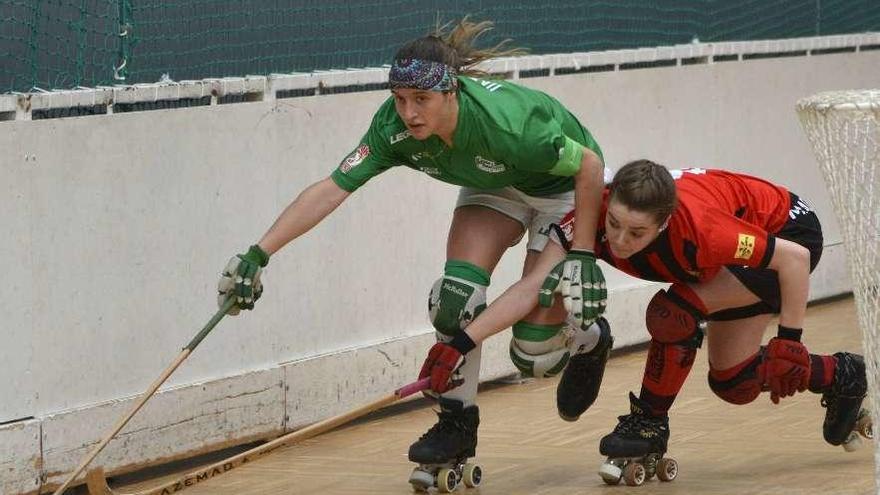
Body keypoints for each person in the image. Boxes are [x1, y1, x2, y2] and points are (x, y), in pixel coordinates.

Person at [216, 17, 611, 486]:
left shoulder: (511, 125)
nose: (409, 113)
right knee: (454, 299)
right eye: (400, 99)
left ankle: (589, 339)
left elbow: (589, 164)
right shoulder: (392, 128)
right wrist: (258, 254)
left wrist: (583, 254)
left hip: (562, 190)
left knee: (534, 356)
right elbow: (331, 188)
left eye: (421, 100)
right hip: (494, 187)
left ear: (453, 93)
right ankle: (456, 424)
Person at [423, 159, 869, 485]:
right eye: (614, 224)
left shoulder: (705, 232)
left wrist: (790, 340)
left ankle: (648, 424)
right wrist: (460, 342)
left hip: (788, 234)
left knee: (673, 313)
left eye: (636, 233)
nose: (618, 241)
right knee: (734, 382)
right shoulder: (587, 218)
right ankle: (842, 374)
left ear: (664, 225)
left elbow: (794, 260)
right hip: (733, 250)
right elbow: (532, 287)